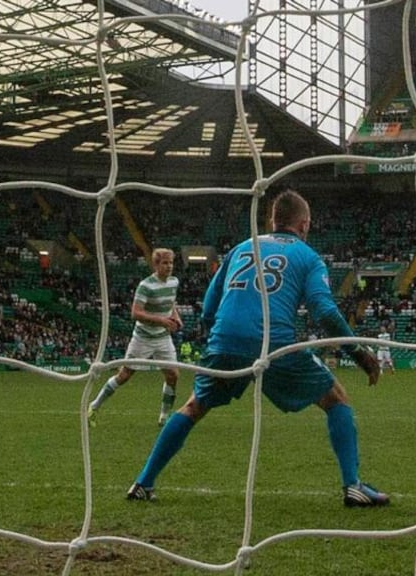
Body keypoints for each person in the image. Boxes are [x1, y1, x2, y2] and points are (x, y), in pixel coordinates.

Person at [125, 190, 387, 507]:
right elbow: (326, 313)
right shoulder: (307, 256)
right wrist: (359, 354)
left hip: (225, 339)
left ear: (272, 221)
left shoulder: (242, 247)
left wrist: (225, 339)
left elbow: (209, 307)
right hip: (273, 343)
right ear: (304, 224)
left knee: (194, 406)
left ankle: (143, 483)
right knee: (336, 398)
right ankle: (353, 485)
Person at [88, 248, 182, 428]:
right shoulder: (146, 286)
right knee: (125, 375)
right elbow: (135, 313)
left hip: (162, 337)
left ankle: (163, 417)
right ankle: (94, 405)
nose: (169, 266)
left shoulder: (174, 282)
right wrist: (162, 320)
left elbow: (171, 304)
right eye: (165, 263)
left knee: (173, 375)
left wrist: (176, 316)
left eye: (171, 263)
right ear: (156, 264)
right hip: (143, 337)